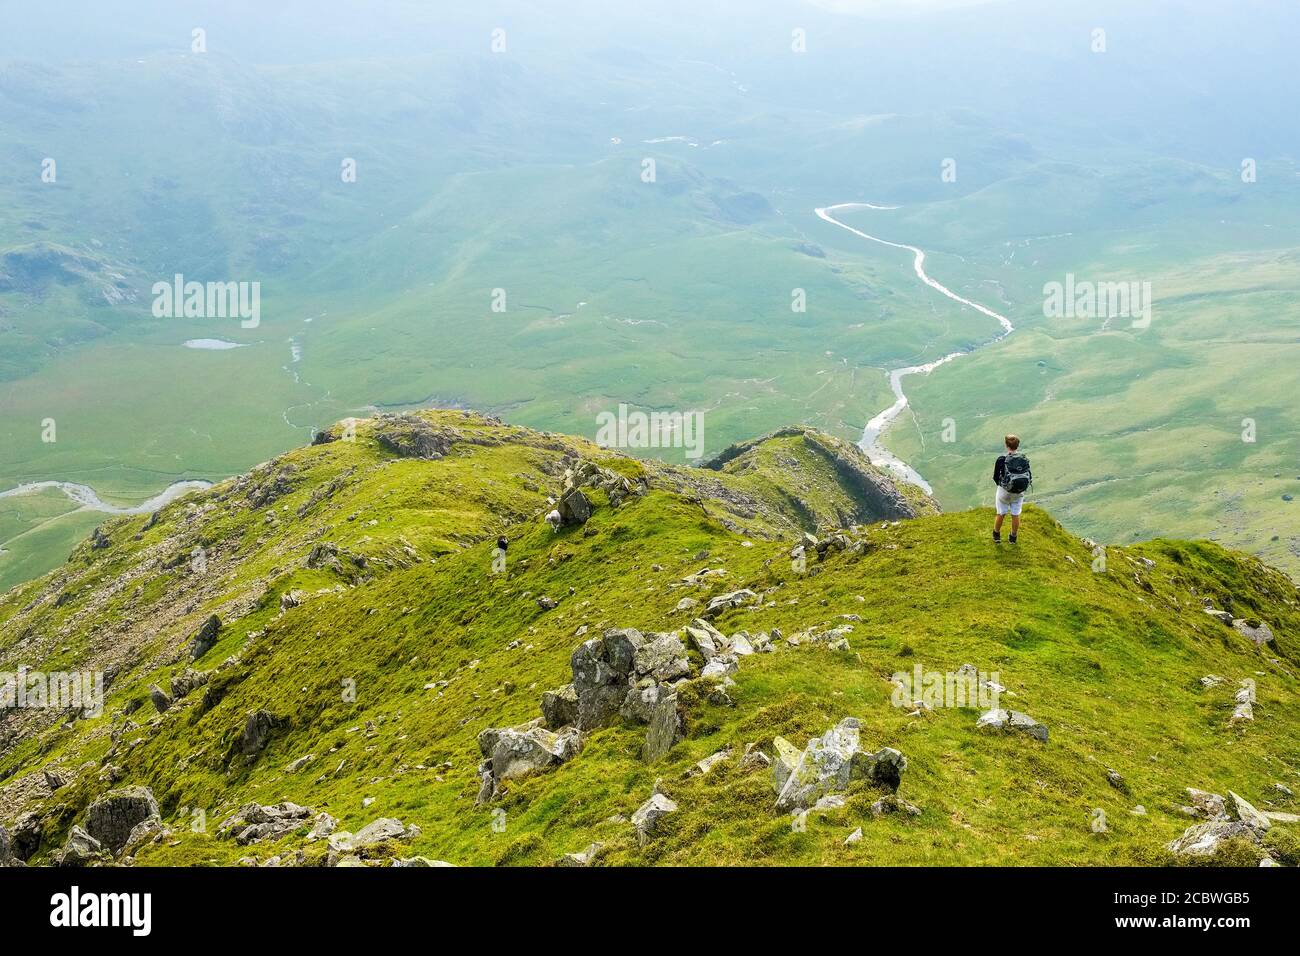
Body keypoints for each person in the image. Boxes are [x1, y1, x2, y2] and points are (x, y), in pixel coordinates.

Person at [992, 434, 1032, 544]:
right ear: (1017, 445)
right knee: (1015, 513)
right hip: (1019, 491)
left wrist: (1002, 485)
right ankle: (1013, 537)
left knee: (1001, 512)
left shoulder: (1002, 459)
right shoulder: (1023, 459)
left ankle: (996, 535)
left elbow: (995, 476)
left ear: (1006, 445)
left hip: (1004, 491)